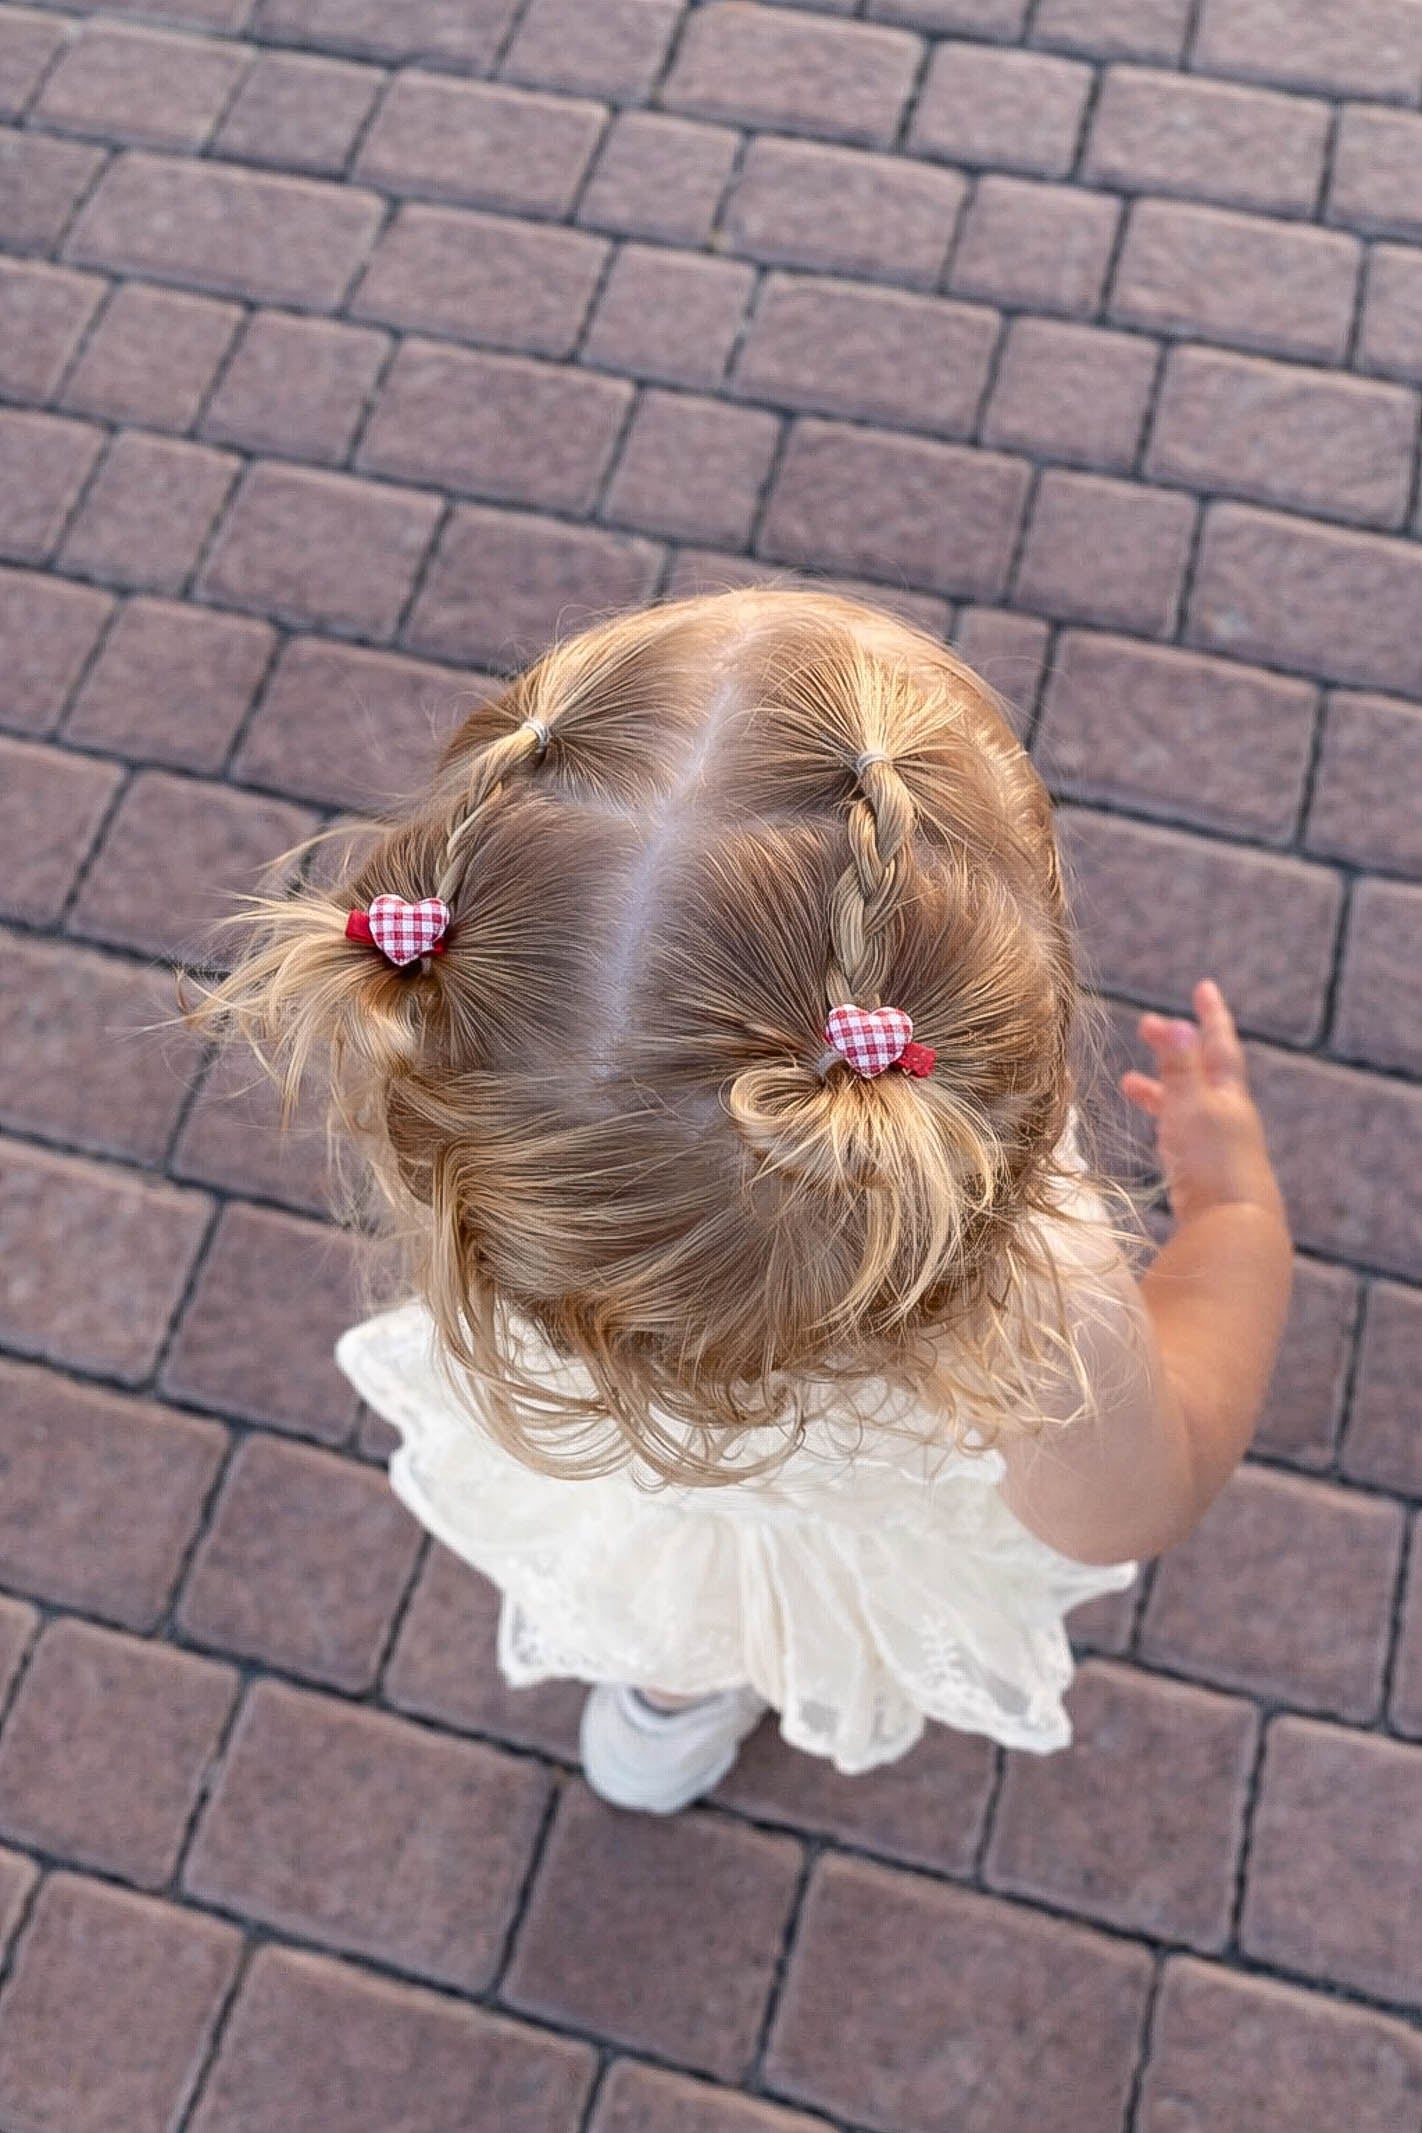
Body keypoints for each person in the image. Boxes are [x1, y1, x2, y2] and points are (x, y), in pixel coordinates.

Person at [184, 587, 1294, 1814]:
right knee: (772, 1617)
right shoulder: (1042, 1288)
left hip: (611, 1502)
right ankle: (682, 1699)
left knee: (670, 1615)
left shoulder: (493, 1171)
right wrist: (1233, 1210)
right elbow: (1132, 1505)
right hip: (853, 1562)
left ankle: (662, 1711)